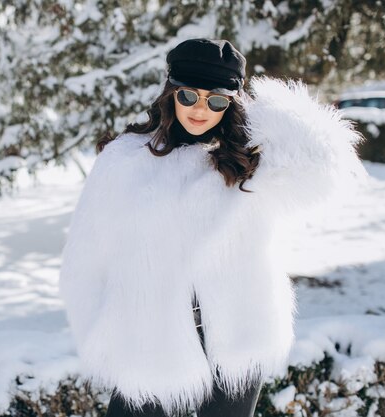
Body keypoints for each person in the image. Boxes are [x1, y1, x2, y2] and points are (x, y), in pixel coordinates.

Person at [58, 38, 368, 417]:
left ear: (233, 103)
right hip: (150, 341)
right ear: (171, 92)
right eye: (189, 95)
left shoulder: (251, 161)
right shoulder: (125, 160)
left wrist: (264, 108)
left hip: (236, 337)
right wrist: (103, 337)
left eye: (216, 100)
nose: (200, 109)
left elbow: (326, 165)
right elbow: (85, 260)